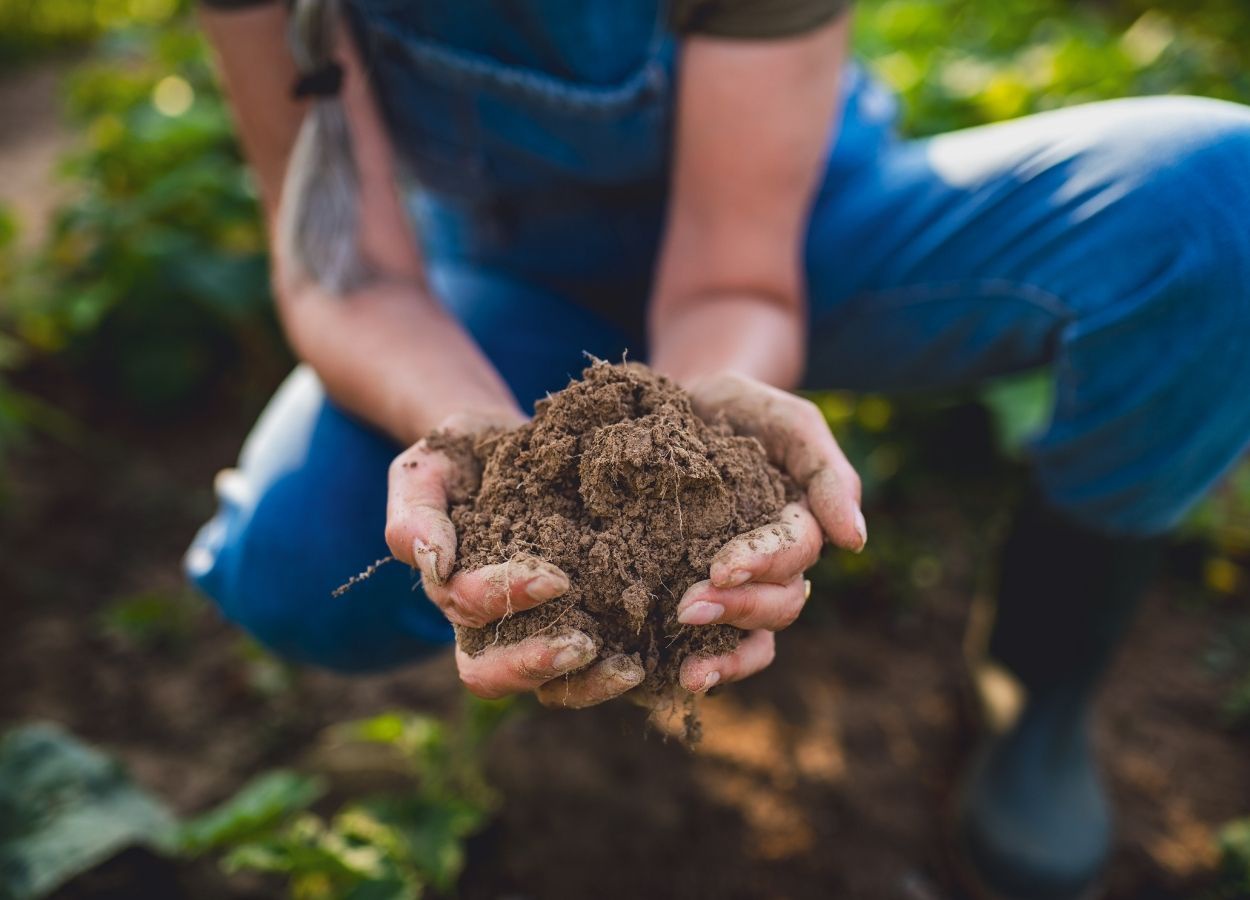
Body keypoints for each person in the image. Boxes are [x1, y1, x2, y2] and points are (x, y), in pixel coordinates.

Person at [184, 1, 1250, 896]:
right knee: (293, 560)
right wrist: (484, 444)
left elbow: (731, 276)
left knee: (1215, 201)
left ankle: (1039, 679)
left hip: (797, 241)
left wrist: (702, 426)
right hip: (519, 287)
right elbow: (352, 271)